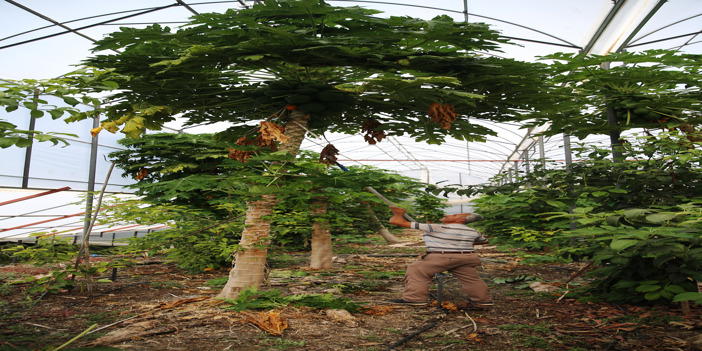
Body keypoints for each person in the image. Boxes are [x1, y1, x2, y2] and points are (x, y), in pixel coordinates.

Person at [387, 206, 493, 308]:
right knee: (471, 279)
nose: (447, 214)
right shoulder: (472, 231)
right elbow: (484, 241)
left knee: (416, 270)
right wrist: (459, 243)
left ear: (459, 220)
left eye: (454, 215)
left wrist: (398, 213)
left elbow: (396, 221)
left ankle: (414, 299)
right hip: (466, 258)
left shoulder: (436, 227)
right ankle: (482, 300)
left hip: (441, 257)